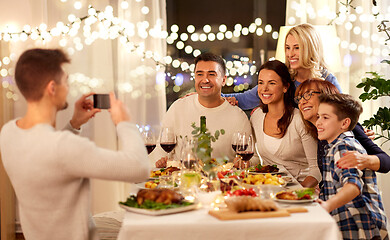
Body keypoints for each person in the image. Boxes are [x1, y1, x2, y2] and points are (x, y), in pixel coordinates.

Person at [0, 48, 150, 240]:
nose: (68, 88)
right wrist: (124, 122)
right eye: (66, 81)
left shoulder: (9, 132)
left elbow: (47, 157)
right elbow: (139, 167)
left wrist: (74, 123)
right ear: (52, 88)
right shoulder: (63, 146)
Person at [155, 52, 253, 168]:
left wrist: (244, 163)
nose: (205, 80)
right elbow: (160, 150)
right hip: (181, 182)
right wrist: (160, 163)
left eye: (211, 74)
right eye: (200, 74)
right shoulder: (178, 108)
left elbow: (254, 158)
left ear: (223, 80)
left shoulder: (238, 116)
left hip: (222, 183)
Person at [315, 93, 388, 240]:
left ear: (344, 123)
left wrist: (328, 205)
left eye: (325, 117)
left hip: (360, 226)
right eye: (318, 116)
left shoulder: (344, 147)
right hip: (351, 223)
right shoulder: (334, 146)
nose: (318, 122)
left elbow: (353, 186)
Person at [223, 23, 342, 110]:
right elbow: (244, 99)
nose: (290, 54)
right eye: (287, 48)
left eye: (297, 48)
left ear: (310, 49)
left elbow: (344, 112)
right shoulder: (283, 77)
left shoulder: (327, 80)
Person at [250, 60, 320, 187]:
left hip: (301, 188)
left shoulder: (299, 120)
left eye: (271, 83)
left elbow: (316, 170)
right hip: (270, 188)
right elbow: (255, 157)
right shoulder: (256, 116)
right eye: (261, 83)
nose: (264, 88)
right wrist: (242, 162)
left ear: (285, 87)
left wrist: (298, 193)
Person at [295, 79, 390, 173]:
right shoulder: (318, 132)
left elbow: (386, 161)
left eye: (308, 95)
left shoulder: (347, 128)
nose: (301, 102)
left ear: (326, 96)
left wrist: (363, 159)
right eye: (299, 98)